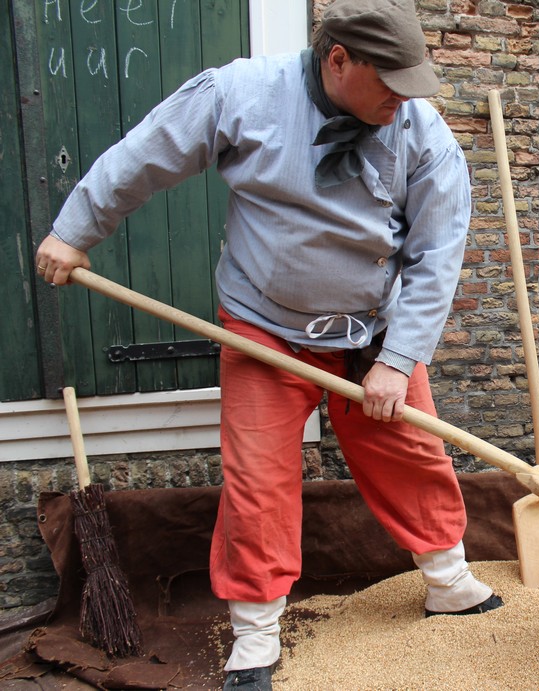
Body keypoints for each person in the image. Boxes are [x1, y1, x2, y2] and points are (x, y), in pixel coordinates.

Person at [33, 0, 502, 688]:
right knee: (257, 481)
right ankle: (255, 635)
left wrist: (398, 361)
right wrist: (73, 231)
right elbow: (144, 156)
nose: (403, 101)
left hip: (372, 332)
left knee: (413, 453)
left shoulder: (422, 133)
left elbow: (437, 256)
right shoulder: (241, 94)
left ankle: (449, 581)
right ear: (338, 59)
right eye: (390, 83)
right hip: (263, 327)